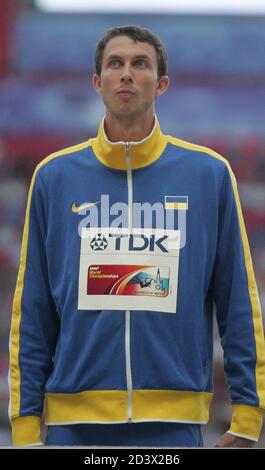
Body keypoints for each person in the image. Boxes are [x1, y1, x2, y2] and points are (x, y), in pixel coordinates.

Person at [9, 25, 265, 448]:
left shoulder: (210, 175)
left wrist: (248, 415)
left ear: (161, 83)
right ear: (97, 82)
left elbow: (237, 299)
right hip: (74, 426)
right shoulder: (53, 177)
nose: (127, 74)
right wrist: (24, 426)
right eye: (115, 64)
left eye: (140, 64)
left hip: (174, 425)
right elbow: (32, 308)